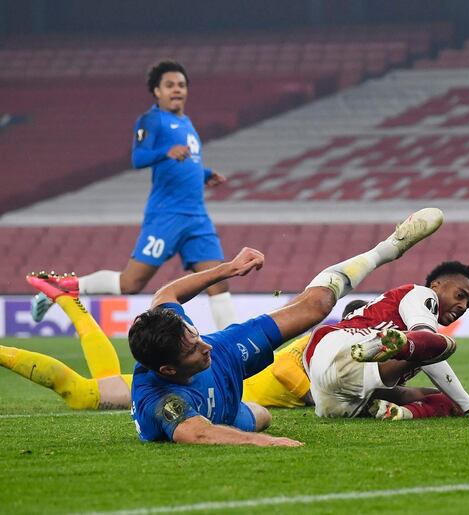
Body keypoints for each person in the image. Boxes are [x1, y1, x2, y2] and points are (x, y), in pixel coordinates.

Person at [126, 207, 443, 446]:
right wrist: (268, 442)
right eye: (193, 349)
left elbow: (166, 294)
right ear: (167, 370)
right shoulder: (163, 400)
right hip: (223, 413)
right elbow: (195, 433)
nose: (202, 345)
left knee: (315, 307)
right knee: (262, 417)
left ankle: (386, 248)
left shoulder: (188, 338)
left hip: (228, 356)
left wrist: (228, 269)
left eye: (196, 337)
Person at [30, 60, 236, 331]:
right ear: (156, 91)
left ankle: (237, 354)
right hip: (167, 215)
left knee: (218, 283)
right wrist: (166, 152)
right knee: (130, 284)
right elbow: (138, 157)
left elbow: (187, 161)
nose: (177, 90)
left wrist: (205, 172)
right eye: (170, 85)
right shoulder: (152, 120)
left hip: (197, 217)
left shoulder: (185, 122)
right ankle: (59, 287)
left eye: (182, 85)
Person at [0, 278, 367, 411]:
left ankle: (67, 297)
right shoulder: (322, 349)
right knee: (83, 394)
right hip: (205, 384)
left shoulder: (322, 342)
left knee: (105, 379)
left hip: (203, 380)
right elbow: (288, 369)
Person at [304, 261, 469, 420]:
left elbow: (430, 357)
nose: (462, 306)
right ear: (436, 286)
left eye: (468, 304)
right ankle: (391, 345)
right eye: (460, 295)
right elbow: (429, 345)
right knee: (442, 344)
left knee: (445, 400)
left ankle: (399, 412)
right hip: (343, 350)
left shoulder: (390, 308)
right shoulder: (421, 294)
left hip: (332, 397)